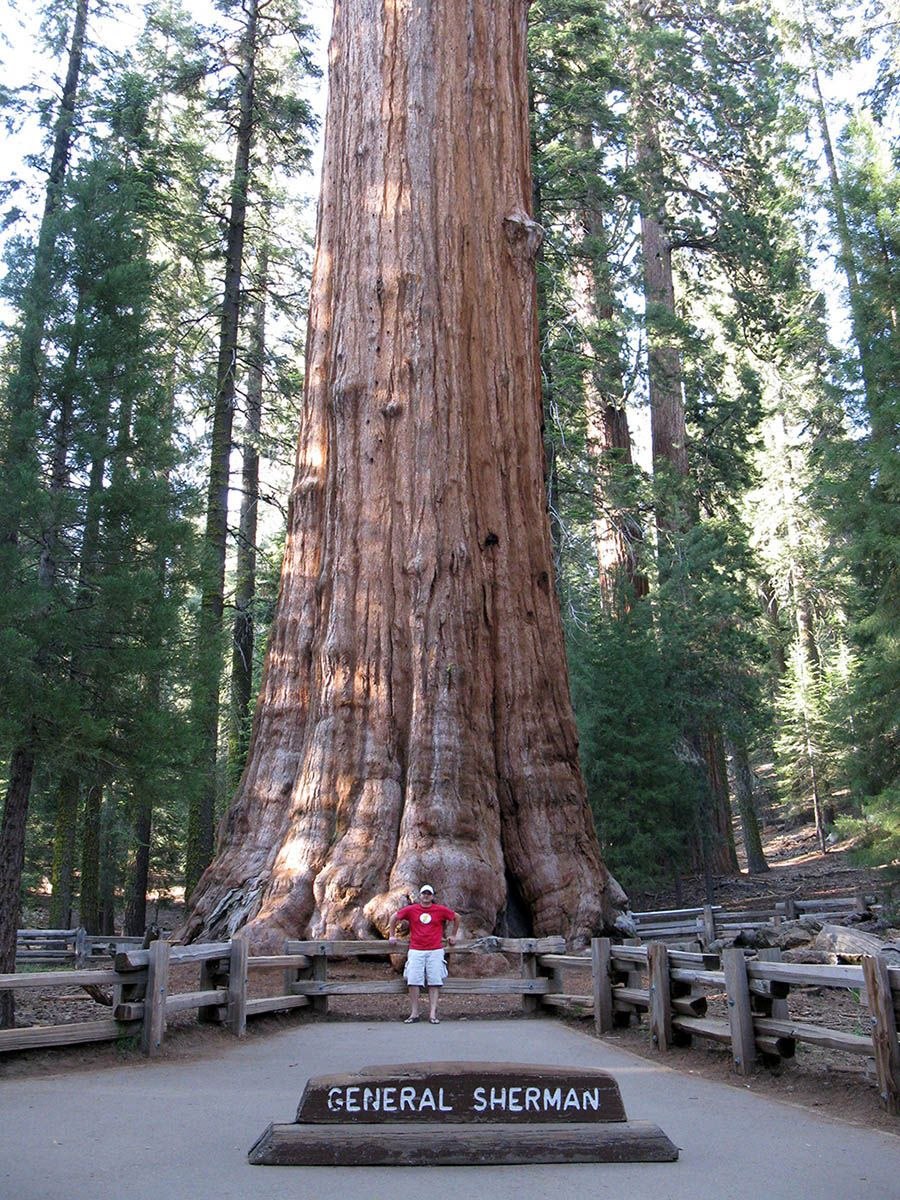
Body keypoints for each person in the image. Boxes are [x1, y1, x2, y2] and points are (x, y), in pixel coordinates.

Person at [388, 884, 459, 1024]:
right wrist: (392, 935)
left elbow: (456, 917)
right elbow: (394, 917)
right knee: (413, 980)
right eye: (423, 894)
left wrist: (453, 935)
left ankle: (432, 1014)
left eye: (429, 894)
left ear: (432, 896)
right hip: (416, 950)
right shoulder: (412, 909)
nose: (426, 896)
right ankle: (414, 1013)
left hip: (435, 950)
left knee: (435, 981)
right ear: (420, 895)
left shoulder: (439, 910)